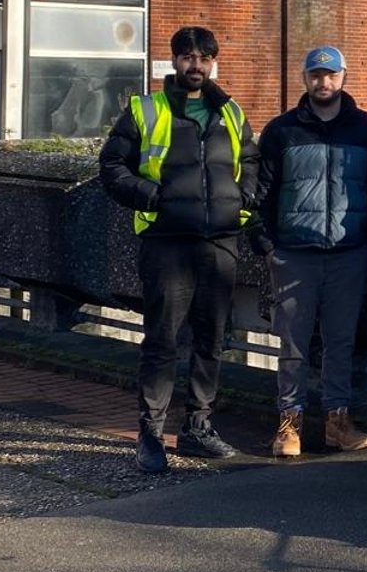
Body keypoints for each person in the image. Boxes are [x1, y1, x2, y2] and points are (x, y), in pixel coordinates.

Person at [99, 26, 258, 472]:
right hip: (167, 241)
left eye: (205, 57)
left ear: (213, 62)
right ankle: (150, 433)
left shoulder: (229, 111)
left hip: (220, 240)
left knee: (211, 340)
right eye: (188, 56)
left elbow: (250, 161)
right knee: (162, 341)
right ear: (174, 61)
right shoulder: (145, 110)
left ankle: (198, 428)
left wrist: (244, 198)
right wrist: (150, 196)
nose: (196, 65)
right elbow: (111, 165)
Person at [253, 45, 367, 459]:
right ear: (305, 79)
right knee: (292, 344)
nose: (323, 82)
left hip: (349, 253)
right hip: (294, 253)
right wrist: (265, 244)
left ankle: (338, 421)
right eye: (316, 75)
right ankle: (289, 423)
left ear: (343, 77)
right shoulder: (282, 131)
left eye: (330, 75)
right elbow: (262, 191)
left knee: (340, 341)